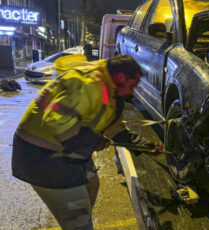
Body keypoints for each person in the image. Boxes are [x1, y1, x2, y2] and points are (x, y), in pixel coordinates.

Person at [12, 55, 161, 230]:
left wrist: (143, 145)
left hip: (64, 152)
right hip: (42, 158)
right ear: (121, 78)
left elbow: (112, 127)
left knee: (91, 183)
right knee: (78, 220)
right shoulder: (90, 84)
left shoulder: (110, 87)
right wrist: (94, 140)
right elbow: (55, 124)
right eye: (133, 86)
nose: (132, 92)